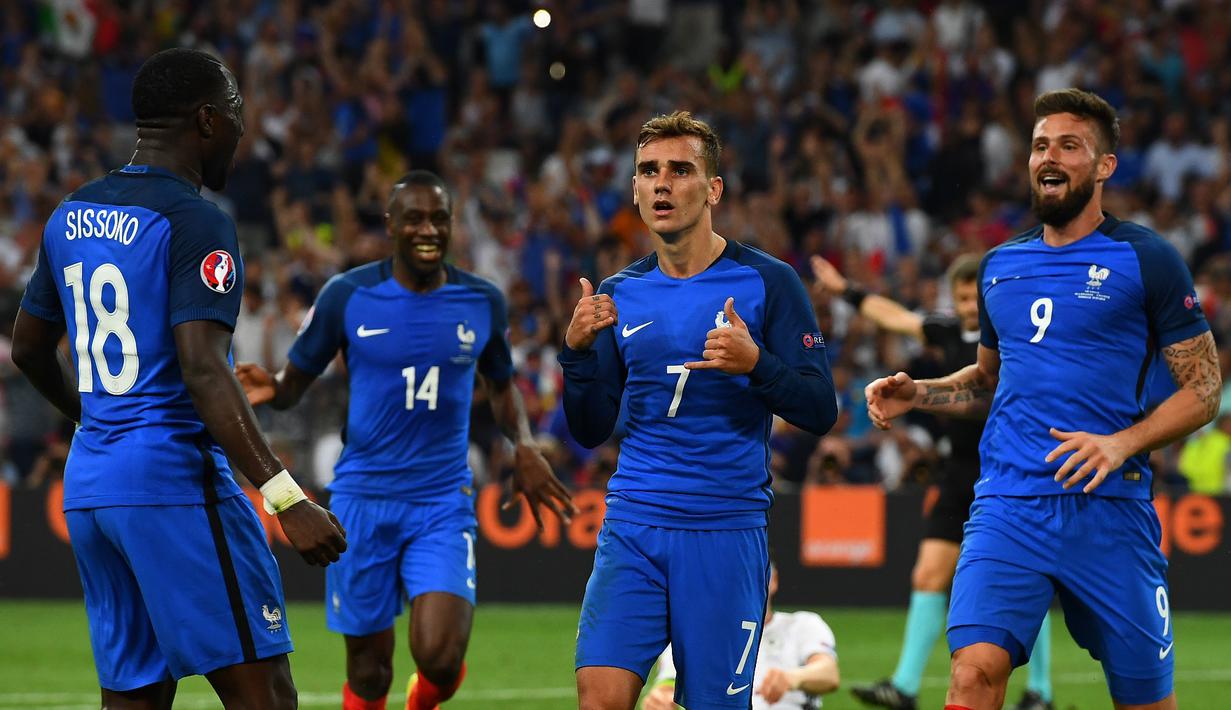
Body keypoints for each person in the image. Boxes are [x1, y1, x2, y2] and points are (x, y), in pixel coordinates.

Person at [10, 48, 347, 710]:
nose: (243, 133)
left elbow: (28, 349)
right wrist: (285, 497)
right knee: (267, 696)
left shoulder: (72, 213)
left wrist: (94, 418)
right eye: (237, 117)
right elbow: (202, 368)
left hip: (92, 487)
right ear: (206, 121)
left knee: (133, 699)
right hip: (173, 483)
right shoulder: (197, 222)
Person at [866, 88, 1220, 710]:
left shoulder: (1148, 259)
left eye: (1068, 145)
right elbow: (988, 379)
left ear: (1105, 165)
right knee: (972, 675)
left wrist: (1122, 443)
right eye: (1038, 145)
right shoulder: (1001, 265)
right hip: (1008, 505)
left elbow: (1205, 390)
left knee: (1145, 701)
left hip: (1110, 511)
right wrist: (920, 392)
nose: (1047, 157)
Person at [235, 169, 575, 710]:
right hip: (361, 502)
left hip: (442, 500)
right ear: (390, 225)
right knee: (369, 674)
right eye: (414, 218)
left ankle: (421, 703)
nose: (428, 229)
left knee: (439, 656)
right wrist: (271, 386)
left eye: (439, 218)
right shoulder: (347, 295)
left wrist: (525, 445)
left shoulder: (481, 300)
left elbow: (502, 386)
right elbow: (294, 384)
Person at [561, 110, 838, 710]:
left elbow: (820, 408)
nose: (662, 183)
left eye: (680, 170)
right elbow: (589, 428)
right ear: (634, 189)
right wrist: (578, 354)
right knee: (599, 697)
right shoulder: (618, 292)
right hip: (633, 524)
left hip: (724, 531)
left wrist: (757, 364)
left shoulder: (770, 282)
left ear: (713, 189)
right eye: (648, 171)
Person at [813, 255, 1055, 710]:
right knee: (927, 575)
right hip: (959, 471)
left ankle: (1040, 691)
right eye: (960, 295)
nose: (967, 305)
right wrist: (847, 290)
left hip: (1008, 469)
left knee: (1024, 582)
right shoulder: (944, 332)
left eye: (973, 295)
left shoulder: (1011, 332)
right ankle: (904, 687)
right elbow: (895, 316)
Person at [642, 561, 840, 710]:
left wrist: (793, 678)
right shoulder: (692, 636)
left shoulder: (802, 625)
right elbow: (667, 684)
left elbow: (829, 673)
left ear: (774, 580)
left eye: (757, 572)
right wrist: (660, 698)